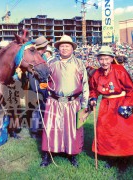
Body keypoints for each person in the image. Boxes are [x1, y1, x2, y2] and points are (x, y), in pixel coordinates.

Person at [40, 35, 89, 167]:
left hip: (73, 103)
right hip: (54, 102)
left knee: (73, 129)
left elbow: (85, 85)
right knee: (51, 129)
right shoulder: (51, 63)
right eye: (62, 46)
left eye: (67, 45)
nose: (65, 48)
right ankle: (48, 155)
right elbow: (44, 81)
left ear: (72, 48)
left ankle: (72, 155)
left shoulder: (79, 63)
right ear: (58, 48)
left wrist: (84, 105)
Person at [89, 46, 133, 169]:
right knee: (106, 132)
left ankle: (124, 159)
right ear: (98, 60)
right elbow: (93, 89)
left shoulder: (119, 70)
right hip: (106, 105)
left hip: (121, 103)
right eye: (101, 59)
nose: (104, 62)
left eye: (107, 59)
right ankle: (111, 157)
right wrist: (92, 98)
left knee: (122, 132)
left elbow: (130, 89)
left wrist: (127, 105)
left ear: (112, 58)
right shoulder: (97, 73)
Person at [28, 36, 49, 139]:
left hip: (42, 83)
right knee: (37, 107)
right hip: (35, 82)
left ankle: (40, 129)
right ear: (44, 47)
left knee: (42, 106)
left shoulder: (43, 56)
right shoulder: (34, 56)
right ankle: (35, 131)